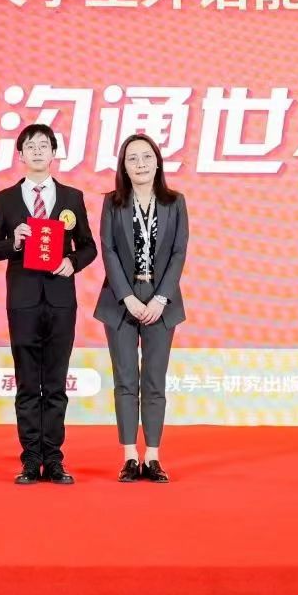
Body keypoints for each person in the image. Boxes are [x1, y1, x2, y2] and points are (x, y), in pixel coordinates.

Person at [0, 123, 96, 484]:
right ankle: (31, 459)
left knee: (56, 383)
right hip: (24, 300)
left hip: (60, 300)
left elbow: (88, 246)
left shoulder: (72, 197)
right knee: (28, 383)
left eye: (43, 145)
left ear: (53, 153)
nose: (37, 151)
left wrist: (72, 262)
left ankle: (55, 459)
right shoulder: (5, 199)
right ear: (20, 154)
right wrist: (14, 242)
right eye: (30, 146)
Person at [93, 134, 189, 483]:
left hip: (162, 303)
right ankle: (130, 456)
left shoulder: (175, 202)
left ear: (158, 162)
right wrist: (128, 297)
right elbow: (108, 250)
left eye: (146, 157)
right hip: (120, 302)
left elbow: (179, 251)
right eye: (132, 158)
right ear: (123, 166)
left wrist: (161, 298)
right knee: (125, 381)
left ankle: (153, 456)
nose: (140, 164)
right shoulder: (112, 202)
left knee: (154, 381)